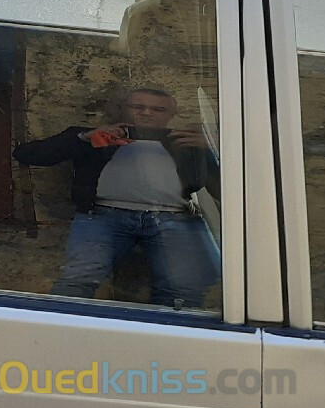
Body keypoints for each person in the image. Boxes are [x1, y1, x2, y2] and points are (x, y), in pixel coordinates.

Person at [13, 87, 221, 310]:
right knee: (77, 281)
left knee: (181, 291)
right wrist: (85, 139)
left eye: (158, 109)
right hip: (103, 215)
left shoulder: (186, 142)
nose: (147, 113)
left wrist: (215, 150)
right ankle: (58, 332)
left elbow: (223, 190)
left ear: (172, 114)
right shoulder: (94, 136)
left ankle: (172, 338)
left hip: (174, 217)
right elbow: (26, 154)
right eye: (138, 107)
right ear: (123, 110)